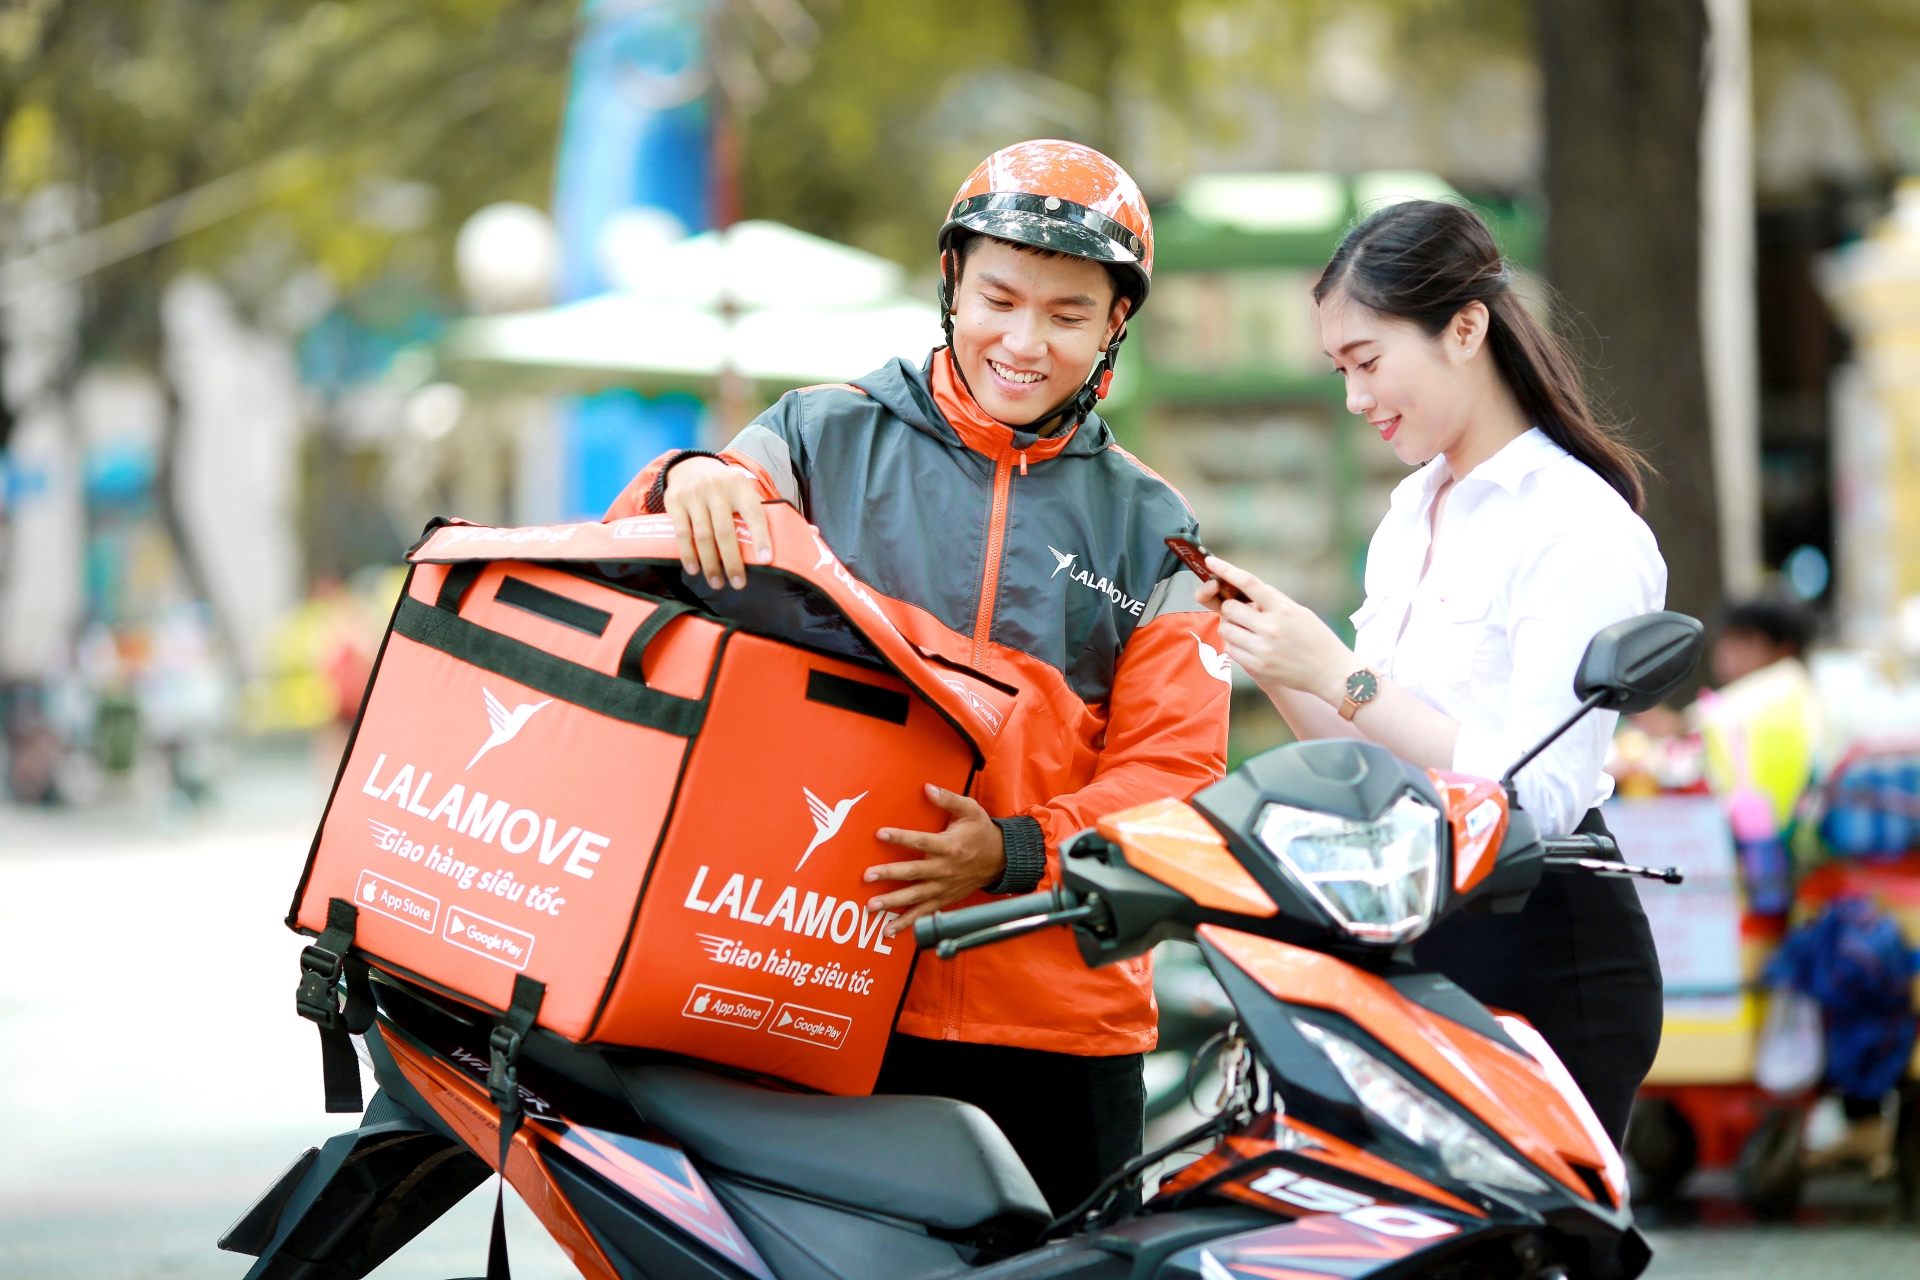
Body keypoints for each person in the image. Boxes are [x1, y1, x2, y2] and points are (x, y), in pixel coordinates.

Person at [602, 140, 1231, 1215]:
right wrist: (681, 475)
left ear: (1115, 323)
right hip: (815, 981)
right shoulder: (815, 436)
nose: (1024, 343)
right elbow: (645, 574)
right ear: (951, 281)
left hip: (1057, 1027)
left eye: (1068, 314)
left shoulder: (1156, 530)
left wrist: (1017, 849)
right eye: (999, 298)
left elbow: (1177, 778)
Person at [1196, 199, 1664, 1148]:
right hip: (1412, 925)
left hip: (1537, 944)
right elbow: (1371, 762)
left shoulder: (1576, 523)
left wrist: (1342, 675)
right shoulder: (1411, 513)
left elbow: (1538, 798)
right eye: (1340, 370)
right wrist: (1278, 660)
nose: (1354, 398)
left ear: (1465, 328)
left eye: (1367, 361)